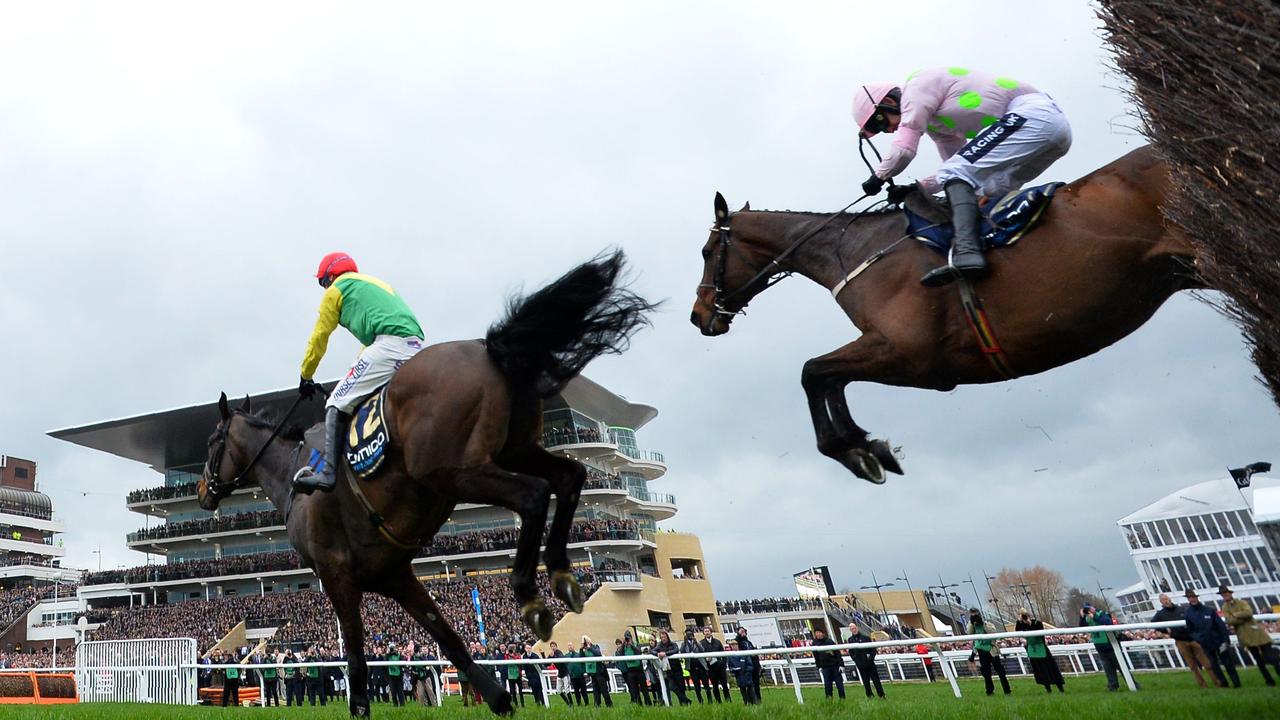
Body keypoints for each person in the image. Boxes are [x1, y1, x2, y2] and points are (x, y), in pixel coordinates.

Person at [852, 67, 1072, 287]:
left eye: (880, 123)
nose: (887, 130)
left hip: (1034, 117)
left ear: (889, 102)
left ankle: (967, 252)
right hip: (1052, 131)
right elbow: (956, 168)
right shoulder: (938, 126)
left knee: (959, 176)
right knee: (984, 189)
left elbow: (905, 149)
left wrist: (878, 177)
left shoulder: (916, 88)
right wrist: (917, 188)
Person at [293, 251, 426, 493]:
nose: (324, 289)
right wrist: (349, 378)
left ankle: (327, 474)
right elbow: (369, 346)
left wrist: (306, 375)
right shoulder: (374, 284)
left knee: (336, 401)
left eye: (323, 282)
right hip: (415, 345)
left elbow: (319, 338)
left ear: (331, 277)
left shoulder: (335, 292)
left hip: (390, 346)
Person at [1151, 593, 1219, 688]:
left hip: (1193, 639)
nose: (1166, 601)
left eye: (1166, 599)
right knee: (1193, 666)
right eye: (1163, 600)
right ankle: (1203, 685)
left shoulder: (1182, 609)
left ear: (1170, 599)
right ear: (1161, 602)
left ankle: (1217, 682)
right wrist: (1165, 630)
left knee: (1207, 663)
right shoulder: (1160, 614)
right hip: (1180, 641)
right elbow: (1153, 624)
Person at [1220, 584, 1280, 686]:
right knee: (1259, 661)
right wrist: (1240, 616)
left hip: (1257, 633)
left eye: (1226, 593)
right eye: (1223, 594)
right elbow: (1229, 620)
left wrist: (1235, 615)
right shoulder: (1224, 607)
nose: (1225, 595)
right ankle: (1269, 680)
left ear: (1230, 593)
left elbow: (1249, 613)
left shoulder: (1242, 602)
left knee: (1271, 658)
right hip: (1245, 636)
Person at [1184, 589, 1240, 689]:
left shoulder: (1209, 610)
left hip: (1218, 640)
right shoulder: (1188, 613)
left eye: (1193, 597)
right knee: (1214, 665)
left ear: (1197, 597)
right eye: (1190, 597)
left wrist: (1225, 640)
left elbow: (1221, 626)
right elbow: (1190, 630)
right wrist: (1198, 638)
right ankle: (1223, 684)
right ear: (1188, 599)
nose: (1192, 599)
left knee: (1228, 663)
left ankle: (1237, 683)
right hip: (1205, 643)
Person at [1015, 608, 1064, 693]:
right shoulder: (1022, 625)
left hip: (1041, 649)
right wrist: (1019, 621)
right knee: (1040, 671)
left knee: (1051, 668)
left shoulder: (1037, 623)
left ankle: (1060, 688)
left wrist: (1030, 624)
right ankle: (1048, 689)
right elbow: (1017, 632)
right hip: (1032, 650)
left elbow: (1040, 634)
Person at [968, 609, 1010, 696]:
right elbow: (969, 633)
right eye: (972, 615)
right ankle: (989, 691)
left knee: (1000, 672)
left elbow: (993, 632)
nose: (974, 617)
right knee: (986, 673)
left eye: (975, 615)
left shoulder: (988, 623)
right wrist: (972, 623)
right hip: (982, 652)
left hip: (992, 651)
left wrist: (983, 623)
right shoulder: (972, 626)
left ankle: (1007, 690)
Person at [847, 623, 885, 699]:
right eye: (852, 629)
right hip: (860, 664)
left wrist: (870, 658)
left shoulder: (866, 638)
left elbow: (873, 649)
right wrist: (856, 660)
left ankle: (881, 695)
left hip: (870, 663)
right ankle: (869, 695)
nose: (854, 630)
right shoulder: (850, 640)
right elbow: (851, 652)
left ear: (857, 628)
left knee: (876, 680)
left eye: (854, 628)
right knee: (865, 681)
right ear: (850, 630)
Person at [655, 629, 692, 705]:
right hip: (668, 669)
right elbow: (652, 651)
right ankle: (686, 700)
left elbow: (676, 650)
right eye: (661, 637)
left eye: (664, 637)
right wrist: (658, 654)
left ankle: (683, 703)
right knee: (672, 686)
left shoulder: (673, 644)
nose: (663, 638)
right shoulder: (659, 645)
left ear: (667, 637)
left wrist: (665, 653)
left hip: (677, 668)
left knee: (681, 687)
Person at [811, 628, 846, 699]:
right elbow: (816, 656)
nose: (818, 634)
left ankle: (842, 698)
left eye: (819, 632)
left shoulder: (829, 641)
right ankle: (829, 699)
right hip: (825, 667)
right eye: (816, 633)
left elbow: (837, 654)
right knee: (827, 685)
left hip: (835, 666)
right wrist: (819, 666)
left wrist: (841, 664)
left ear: (822, 633)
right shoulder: (814, 643)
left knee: (839, 684)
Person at [679, 628, 711, 703]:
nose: (689, 635)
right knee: (697, 686)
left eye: (690, 634)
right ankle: (700, 701)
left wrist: (696, 642)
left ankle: (710, 700)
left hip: (701, 666)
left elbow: (702, 650)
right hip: (692, 667)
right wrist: (685, 641)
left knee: (706, 684)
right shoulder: (684, 644)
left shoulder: (697, 642)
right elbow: (682, 651)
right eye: (687, 634)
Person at [700, 627, 731, 703]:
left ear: (711, 632)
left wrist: (724, 664)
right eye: (705, 631)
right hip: (710, 668)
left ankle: (728, 700)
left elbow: (723, 654)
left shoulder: (717, 642)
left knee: (724, 685)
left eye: (708, 631)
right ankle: (718, 701)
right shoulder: (701, 643)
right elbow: (700, 655)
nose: (707, 633)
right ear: (703, 633)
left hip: (720, 667)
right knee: (715, 686)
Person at [582, 635, 613, 707]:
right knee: (595, 691)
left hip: (600, 672)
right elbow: (581, 657)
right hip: (592, 673)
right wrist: (581, 649)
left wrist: (590, 648)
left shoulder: (595, 647)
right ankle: (597, 704)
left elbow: (598, 654)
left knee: (604, 689)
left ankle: (609, 704)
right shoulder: (584, 650)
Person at [618, 632, 648, 705]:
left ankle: (648, 703)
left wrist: (631, 645)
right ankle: (639, 704)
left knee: (644, 689)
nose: (627, 640)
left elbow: (639, 652)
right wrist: (623, 644)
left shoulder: (635, 644)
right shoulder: (624, 647)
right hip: (630, 671)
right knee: (634, 690)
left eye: (628, 638)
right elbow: (620, 654)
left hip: (639, 670)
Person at [735, 627, 763, 703]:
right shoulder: (739, 642)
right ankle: (750, 700)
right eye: (741, 632)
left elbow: (755, 654)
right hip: (746, 666)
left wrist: (759, 666)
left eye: (744, 631)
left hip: (754, 665)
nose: (743, 633)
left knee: (756, 684)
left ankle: (758, 699)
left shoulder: (749, 642)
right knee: (749, 684)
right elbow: (736, 643)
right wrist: (739, 635)